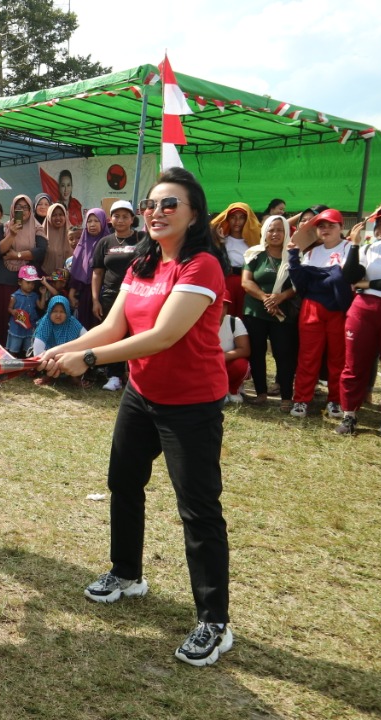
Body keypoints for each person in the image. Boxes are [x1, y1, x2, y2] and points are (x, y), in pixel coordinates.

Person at [40, 167, 233, 667]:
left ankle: (214, 622)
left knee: (198, 509)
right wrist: (60, 349)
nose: (156, 212)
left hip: (191, 404)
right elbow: (112, 327)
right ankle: (127, 574)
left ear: (194, 215)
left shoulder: (202, 266)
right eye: (151, 204)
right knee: (123, 483)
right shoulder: (142, 263)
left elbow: (163, 336)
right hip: (142, 395)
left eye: (170, 204)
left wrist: (86, 360)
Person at [335, 202, 381, 439]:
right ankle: (349, 415)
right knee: (354, 365)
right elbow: (350, 276)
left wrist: (368, 284)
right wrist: (355, 245)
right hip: (363, 311)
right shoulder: (369, 248)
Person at [287, 208, 351, 419]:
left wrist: (320, 277)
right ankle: (301, 399)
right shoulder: (311, 253)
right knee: (308, 356)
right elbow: (301, 284)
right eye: (321, 226)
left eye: (331, 225)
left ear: (341, 227)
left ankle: (336, 400)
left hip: (339, 309)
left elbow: (347, 280)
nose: (326, 229)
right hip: (312, 308)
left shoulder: (351, 248)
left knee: (338, 357)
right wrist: (294, 258)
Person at [241, 215, 298, 409]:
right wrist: (265, 298)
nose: (275, 234)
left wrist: (281, 297)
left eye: (279, 230)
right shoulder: (255, 254)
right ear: (264, 232)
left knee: (284, 354)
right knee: (256, 353)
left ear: (286, 232)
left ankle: (286, 397)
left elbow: (299, 285)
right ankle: (261, 394)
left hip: (282, 314)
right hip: (255, 311)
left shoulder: (294, 256)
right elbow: (246, 282)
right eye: (271, 230)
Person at [92, 200, 146, 390]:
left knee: (135, 335)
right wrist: (95, 300)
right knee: (113, 335)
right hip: (110, 296)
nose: (120, 220)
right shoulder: (105, 242)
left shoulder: (142, 239)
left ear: (132, 219)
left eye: (125, 216)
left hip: (137, 295)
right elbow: (97, 272)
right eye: (116, 216)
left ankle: (135, 375)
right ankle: (114, 376)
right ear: (110, 219)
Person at [0, 195, 46, 348]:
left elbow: (41, 251)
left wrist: (17, 255)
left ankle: (22, 353)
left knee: (26, 321)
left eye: (25, 207)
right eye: (18, 207)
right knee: (2, 320)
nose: (22, 211)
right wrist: (12, 234)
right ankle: (1, 351)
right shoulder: (3, 228)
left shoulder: (37, 228)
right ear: (13, 210)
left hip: (27, 285)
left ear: (30, 210)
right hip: (4, 283)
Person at [210, 202, 262, 317]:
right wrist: (220, 244)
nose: (237, 221)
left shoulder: (254, 241)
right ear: (228, 219)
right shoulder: (221, 240)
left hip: (248, 284)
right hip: (226, 283)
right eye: (233, 217)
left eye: (241, 218)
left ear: (247, 220)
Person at [68, 207, 109, 330]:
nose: (92, 224)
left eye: (96, 221)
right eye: (89, 221)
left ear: (103, 222)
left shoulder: (109, 243)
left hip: (104, 293)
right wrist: (71, 293)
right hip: (85, 295)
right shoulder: (82, 245)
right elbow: (77, 271)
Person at [31, 295, 86, 386]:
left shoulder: (72, 321)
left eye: (62, 312)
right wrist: (49, 357)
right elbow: (37, 349)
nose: (58, 315)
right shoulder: (46, 322)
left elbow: (87, 337)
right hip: (50, 355)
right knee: (44, 356)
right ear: (49, 311)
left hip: (68, 354)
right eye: (55, 311)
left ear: (67, 312)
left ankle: (74, 377)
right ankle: (47, 376)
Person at [219, 301, 251, 402]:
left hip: (225, 362)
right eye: (217, 304)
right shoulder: (199, 319)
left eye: (224, 305)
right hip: (206, 363)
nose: (220, 308)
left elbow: (245, 350)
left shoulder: (234, 321)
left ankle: (232, 389)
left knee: (241, 365)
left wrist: (219, 357)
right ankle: (218, 392)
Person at [7, 265, 41, 357]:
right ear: (20, 282)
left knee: (28, 348)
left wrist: (43, 294)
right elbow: (9, 308)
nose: (31, 286)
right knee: (14, 347)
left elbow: (41, 306)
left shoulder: (34, 295)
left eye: (33, 283)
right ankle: (11, 361)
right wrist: (13, 311)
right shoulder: (15, 296)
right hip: (17, 326)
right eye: (28, 282)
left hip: (30, 326)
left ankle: (28, 363)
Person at [42, 202, 72, 276]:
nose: (58, 218)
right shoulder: (41, 234)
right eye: (54, 215)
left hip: (68, 278)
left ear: (65, 216)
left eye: (61, 215)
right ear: (49, 217)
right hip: (46, 277)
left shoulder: (73, 235)